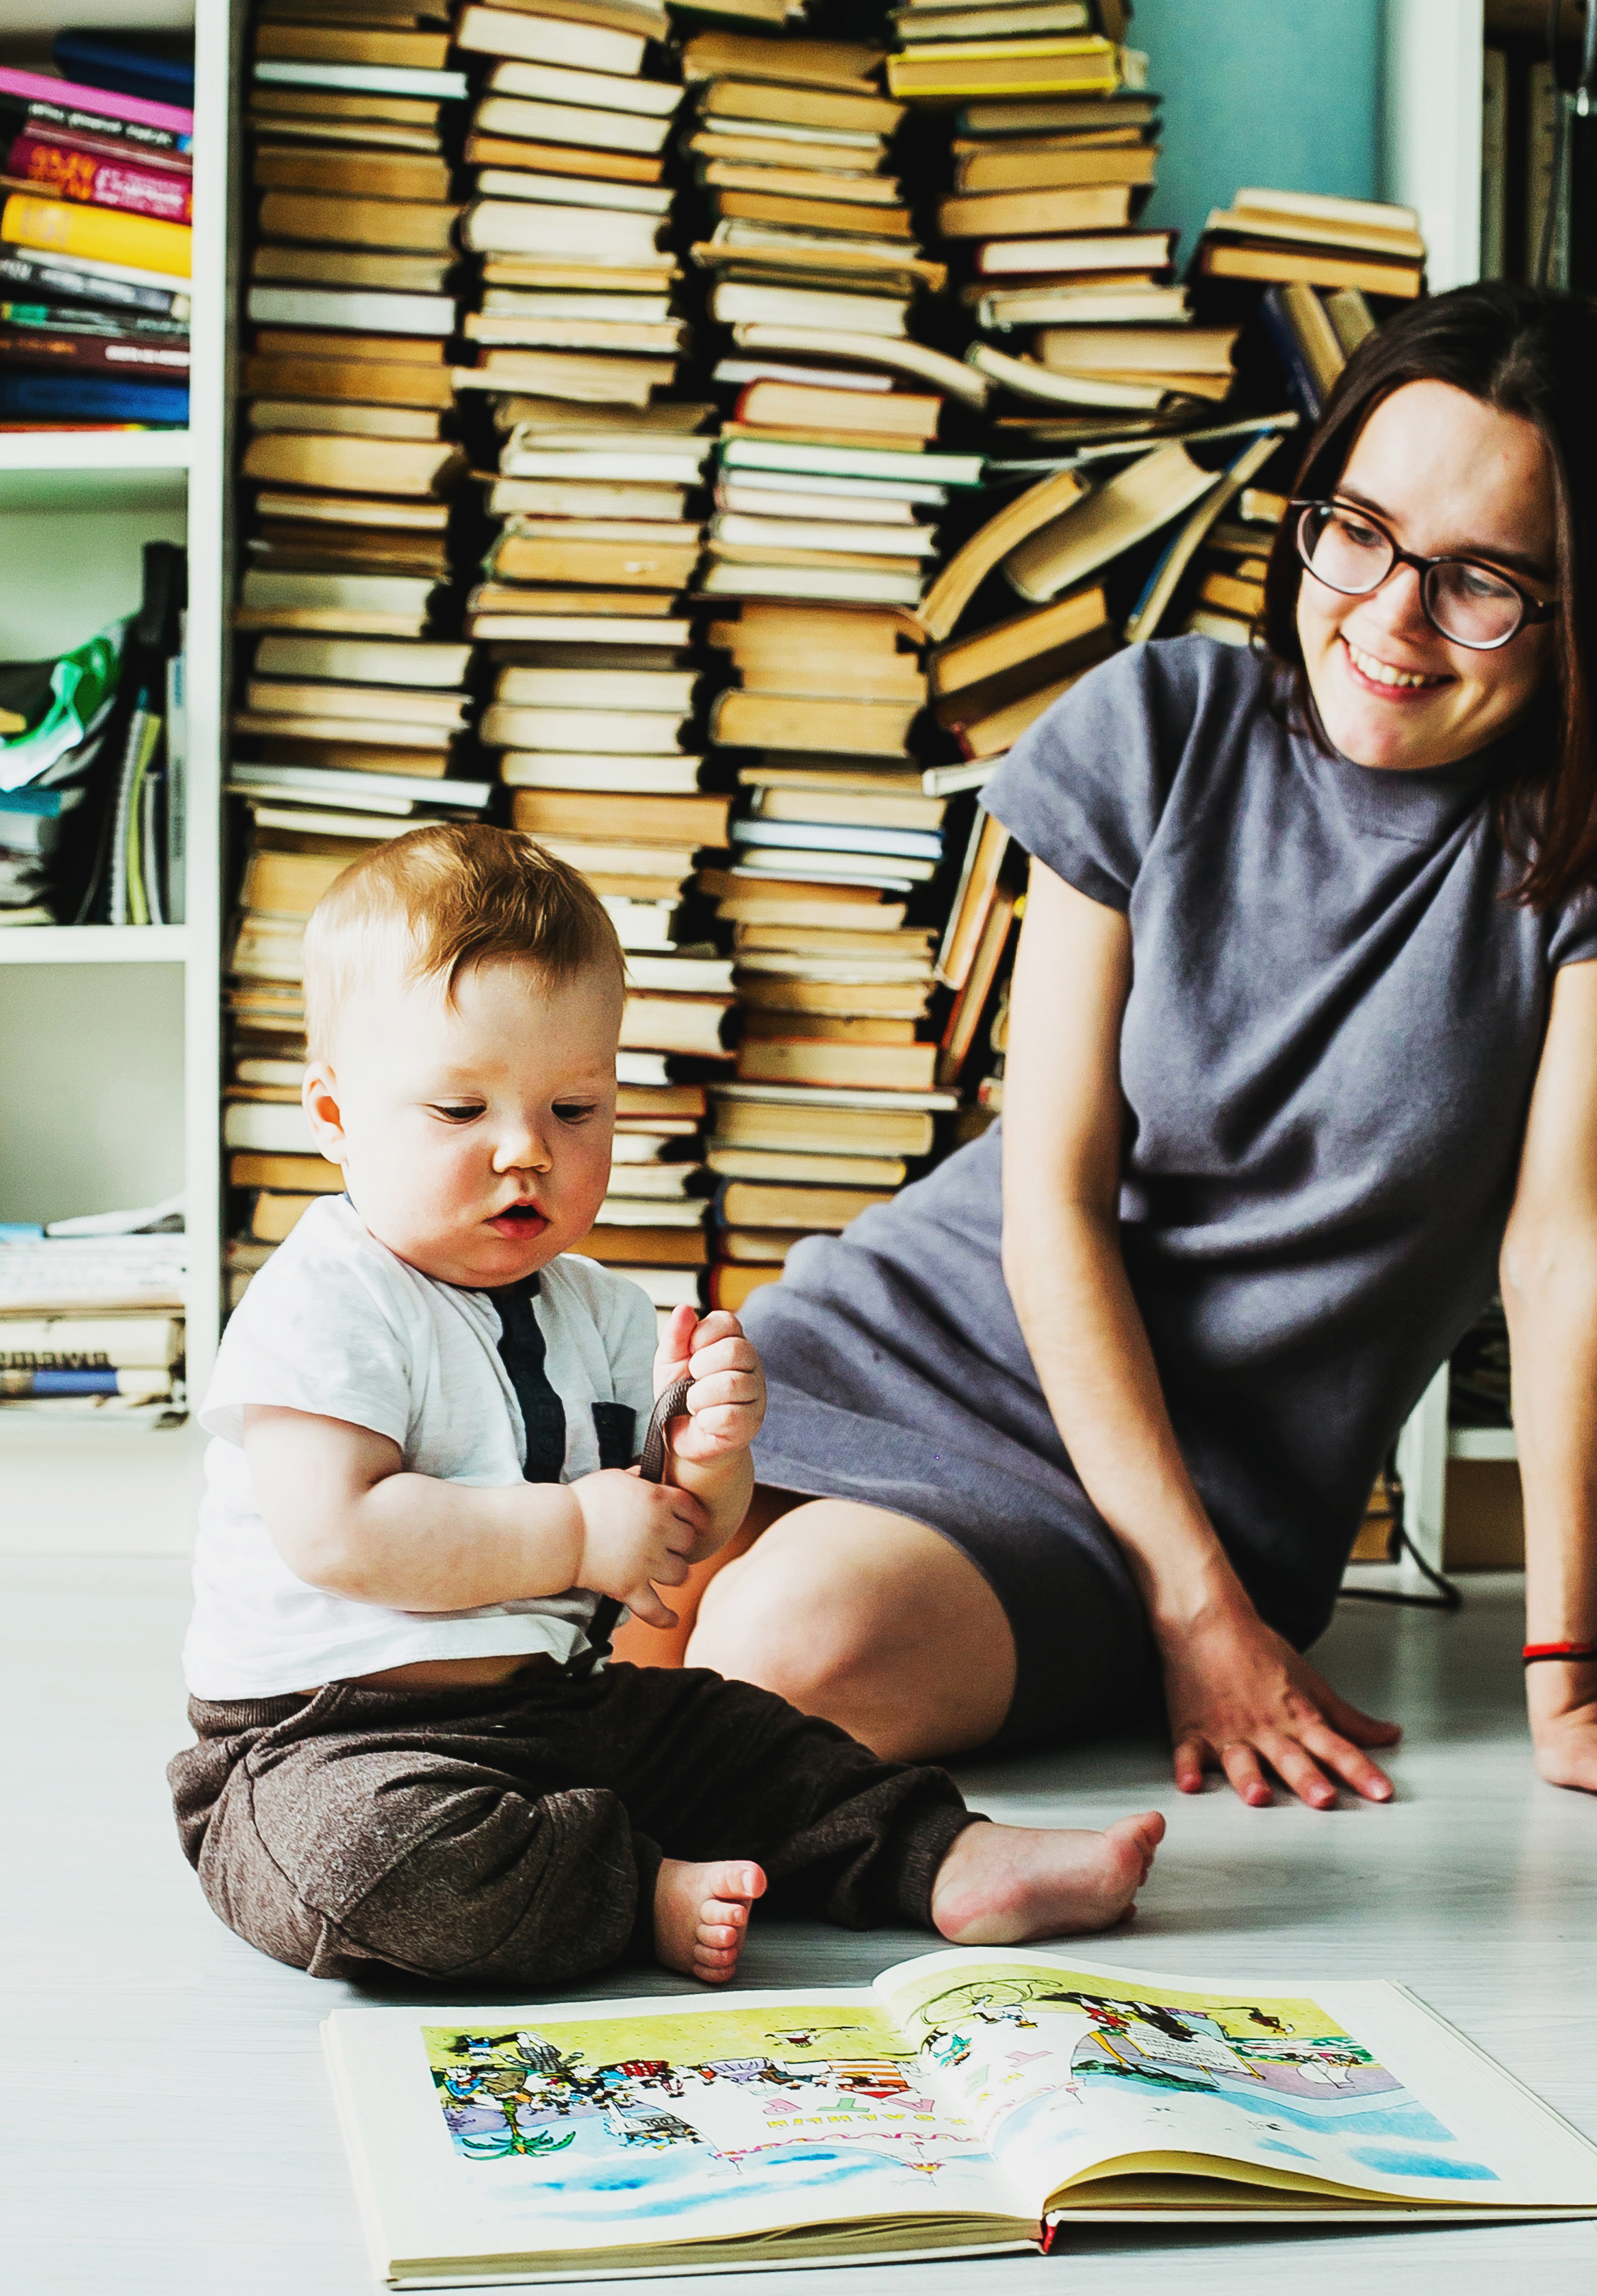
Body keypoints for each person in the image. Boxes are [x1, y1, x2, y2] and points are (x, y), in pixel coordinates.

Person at [655, 283, 1597, 1806]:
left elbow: (1564, 1264)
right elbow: (1055, 1205)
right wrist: (1198, 1619)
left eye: (1480, 580)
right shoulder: (1163, 722)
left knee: (786, 1646)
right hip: (901, 1338)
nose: (1391, 619)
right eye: (1357, 531)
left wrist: (1568, 1668)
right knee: (528, 1588)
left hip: (1158, 1508)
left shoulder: (1569, 869)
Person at [166, 824, 1164, 1989]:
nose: (524, 1154)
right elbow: (341, 1535)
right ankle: (632, 1887)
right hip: (324, 1744)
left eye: (573, 1109)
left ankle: (944, 1856)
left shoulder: (598, 1310)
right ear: (333, 1115)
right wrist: (577, 1533)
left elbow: (667, 1553)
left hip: (552, 1714)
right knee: (371, 1865)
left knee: (742, 1735)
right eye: (459, 1112)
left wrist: (707, 1463)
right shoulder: (325, 1300)